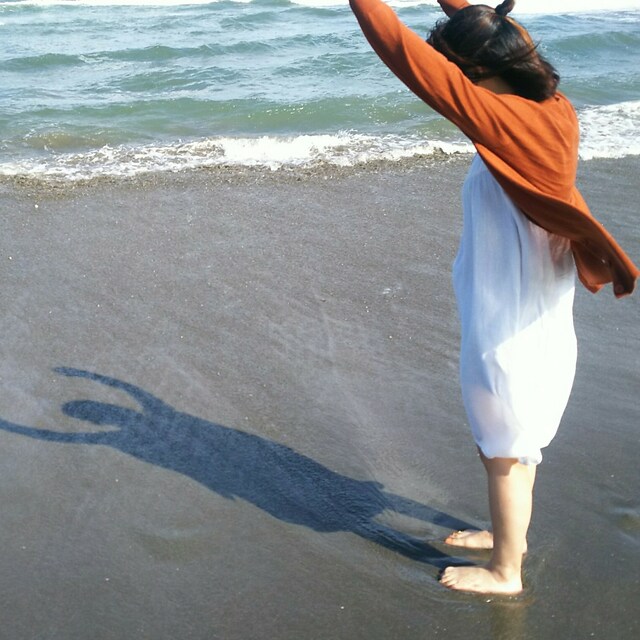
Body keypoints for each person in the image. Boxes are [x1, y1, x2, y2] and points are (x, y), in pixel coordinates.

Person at [349, 0, 639, 594]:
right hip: (529, 280)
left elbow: (400, 50)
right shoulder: (550, 105)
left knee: (502, 424)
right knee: (511, 425)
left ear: (475, 72)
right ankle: (509, 534)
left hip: (510, 293)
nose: (445, 76)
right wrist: (458, 8)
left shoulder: (496, 118)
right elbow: (504, 34)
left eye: (452, 67)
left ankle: (507, 571)